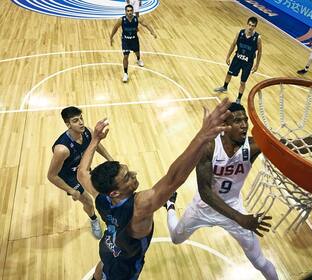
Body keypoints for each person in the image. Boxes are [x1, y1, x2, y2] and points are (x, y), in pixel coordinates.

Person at [164, 103, 312, 280]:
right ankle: (171, 205)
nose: (244, 125)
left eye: (245, 120)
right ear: (224, 127)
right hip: (204, 208)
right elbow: (205, 192)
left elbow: (301, 144)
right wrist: (240, 218)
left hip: (233, 206)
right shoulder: (209, 147)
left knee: (259, 261)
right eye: (237, 121)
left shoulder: (253, 145)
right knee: (175, 239)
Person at [76, 98, 232, 280]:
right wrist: (202, 137)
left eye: (128, 171)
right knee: (102, 270)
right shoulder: (139, 206)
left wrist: (95, 139)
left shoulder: (101, 197)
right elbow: (174, 179)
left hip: (108, 253)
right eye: (127, 177)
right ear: (115, 193)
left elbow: (81, 172)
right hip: (123, 274)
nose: (134, 174)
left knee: (100, 269)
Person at [47, 106, 114, 239]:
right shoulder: (62, 149)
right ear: (68, 124)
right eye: (76, 120)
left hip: (83, 169)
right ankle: (94, 220)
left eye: (81, 118)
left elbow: (96, 145)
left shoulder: (88, 132)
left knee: (102, 191)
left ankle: (111, 217)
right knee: (88, 202)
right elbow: (51, 176)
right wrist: (71, 191)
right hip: (70, 178)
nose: (81, 122)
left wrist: (110, 159)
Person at [214, 17, 262, 104]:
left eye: (253, 26)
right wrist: (228, 56)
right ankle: (224, 87)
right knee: (229, 73)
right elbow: (233, 44)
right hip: (237, 58)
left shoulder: (257, 38)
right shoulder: (240, 33)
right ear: (247, 24)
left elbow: (260, 52)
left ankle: (239, 99)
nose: (251, 27)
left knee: (242, 82)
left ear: (255, 27)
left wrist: (257, 65)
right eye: (250, 25)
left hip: (248, 63)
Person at [110, 4, 157, 83]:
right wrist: (111, 37)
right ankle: (125, 73)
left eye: (131, 11)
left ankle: (138, 59)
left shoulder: (137, 19)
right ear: (125, 12)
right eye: (128, 11)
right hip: (125, 41)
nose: (129, 12)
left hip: (134, 40)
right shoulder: (121, 20)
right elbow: (115, 28)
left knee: (137, 52)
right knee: (125, 56)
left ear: (133, 11)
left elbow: (146, 24)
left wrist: (152, 32)